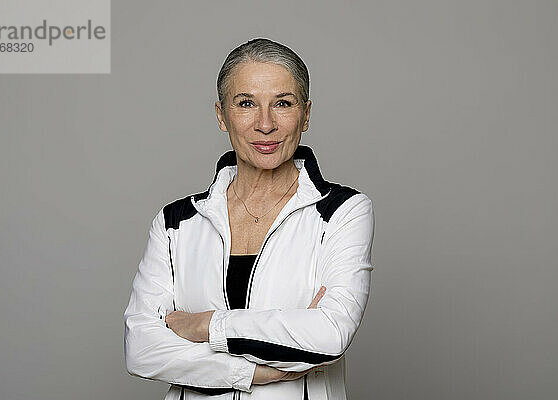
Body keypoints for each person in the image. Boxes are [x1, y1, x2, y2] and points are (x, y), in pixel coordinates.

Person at [123, 38, 375, 400]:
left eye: (283, 104)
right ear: (221, 115)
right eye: (246, 104)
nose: (265, 124)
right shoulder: (176, 222)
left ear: (305, 113)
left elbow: (330, 335)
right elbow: (142, 349)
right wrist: (253, 370)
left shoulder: (341, 211)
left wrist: (204, 326)